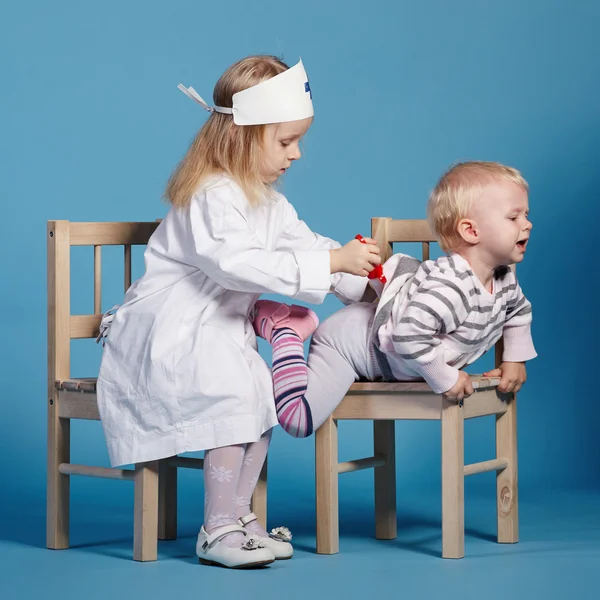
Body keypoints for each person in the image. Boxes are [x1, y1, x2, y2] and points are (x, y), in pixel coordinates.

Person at [96, 55, 381, 568]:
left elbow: (308, 246)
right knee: (231, 393)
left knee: (259, 397)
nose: (297, 155)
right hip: (170, 330)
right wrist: (331, 261)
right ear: (245, 136)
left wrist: (367, 286)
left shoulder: (269, 204)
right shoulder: (210, 196)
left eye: (298, 141)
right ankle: (217, 527)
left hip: (219, 331)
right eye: (286, 141)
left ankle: (237, 513)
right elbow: (237, 266)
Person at [254, 161, 537, 438]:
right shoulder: (450, 286)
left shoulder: (504, 280)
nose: (527, 224)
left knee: (297, 415)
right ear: (471, 231)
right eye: (514, 218)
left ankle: (269, 368)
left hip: (386, 360)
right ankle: (286, 331)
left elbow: (519, 312)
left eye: (526, 215)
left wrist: (515, 359)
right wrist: (445, 377)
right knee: (298, 420)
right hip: (348, 345)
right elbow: (409, 335)